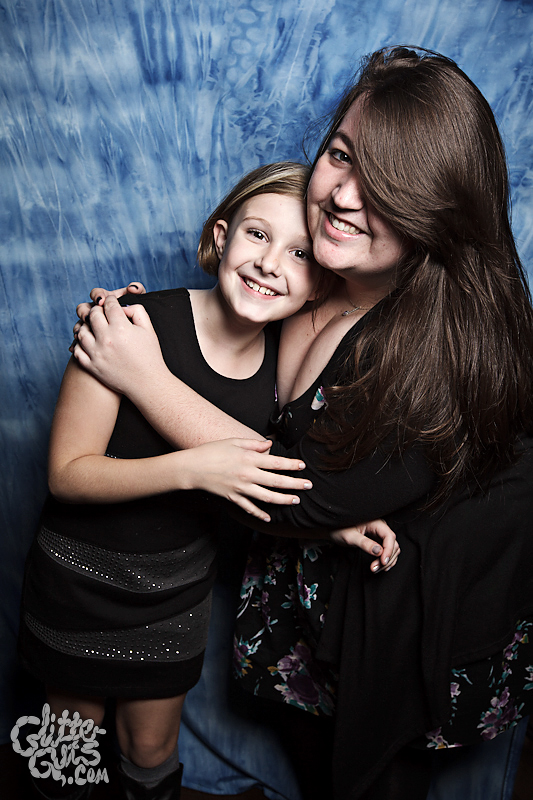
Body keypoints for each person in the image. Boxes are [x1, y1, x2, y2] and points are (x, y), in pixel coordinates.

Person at [72, 46, 533, 799]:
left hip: (407, 613)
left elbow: (295, 494)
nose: (345, 195)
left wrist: (144, 377)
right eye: (341, 155)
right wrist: (139, 330)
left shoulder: (440, 352)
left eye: (389, 183)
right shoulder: (306, 271)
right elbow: (226, 370)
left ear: (440, 209)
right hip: (306, 577)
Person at [20, 160, 398, 800]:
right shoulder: (129, 324)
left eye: (299, 253)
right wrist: (192, 468)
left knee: (150, 751)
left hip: (176, 597)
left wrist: (335, 524)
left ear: (320, 283)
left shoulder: (286, 369)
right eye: (258, 234)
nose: (270, 264)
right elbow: (66, 475)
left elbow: (267, 474)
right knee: (68, 748)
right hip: (80, 586)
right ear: (222, 237)